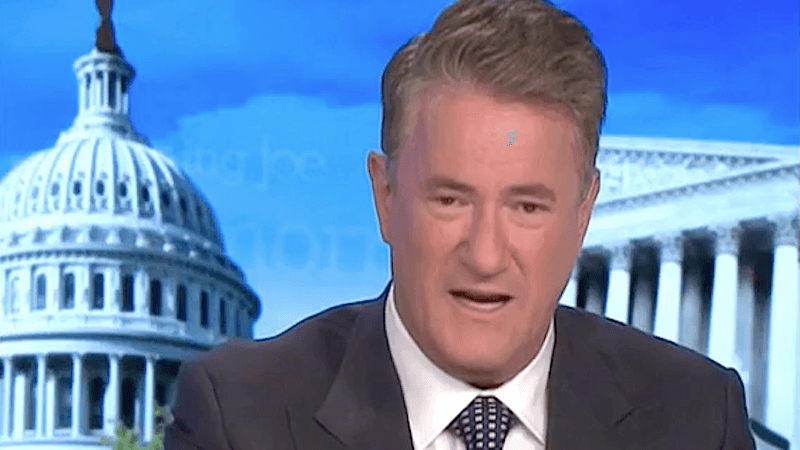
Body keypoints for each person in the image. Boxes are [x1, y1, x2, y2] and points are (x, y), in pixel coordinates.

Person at [164, 0, 756, 448]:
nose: (486, 255)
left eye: (528, 207)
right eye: (450, 200)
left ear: (583, 214)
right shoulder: (238, 416)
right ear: (385, 198)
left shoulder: (700, 418)